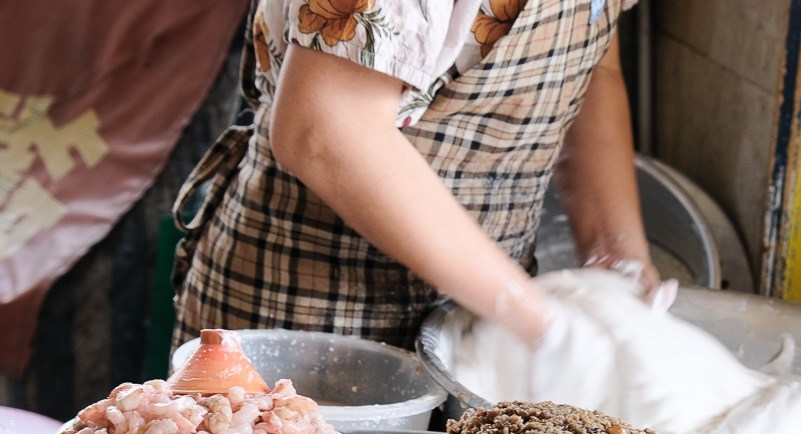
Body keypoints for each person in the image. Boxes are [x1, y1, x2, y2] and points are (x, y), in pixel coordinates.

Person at [171, 0, 671, 360]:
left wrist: (616, 253)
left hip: (488, 319)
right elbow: (325, 132)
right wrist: (543, 324)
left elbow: (594, 67)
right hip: (312, 310)